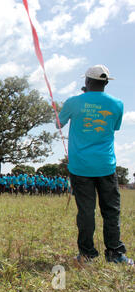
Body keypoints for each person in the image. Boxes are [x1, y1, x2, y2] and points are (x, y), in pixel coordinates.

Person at [58, 65, 132, 266]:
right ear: (106, 83)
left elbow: (58, 123)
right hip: (106, 166)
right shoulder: (117, 104)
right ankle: (115, 254)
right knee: (111, 211)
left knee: (86, 211)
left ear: (87, 82)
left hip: (80, 167)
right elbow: (114, 127)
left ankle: (87, 254)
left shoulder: (74, 102)